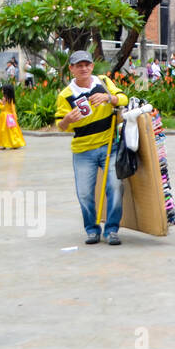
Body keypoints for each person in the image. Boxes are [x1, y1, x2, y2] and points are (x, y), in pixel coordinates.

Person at [54, 51, 129, 245]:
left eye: (87, 64)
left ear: (92, 66)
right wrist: (67, 120)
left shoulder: (103, 82)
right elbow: (60, 125)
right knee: (85, 193)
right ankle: (92, 229)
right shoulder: (66, 95)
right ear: (71, 69)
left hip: (109, 146)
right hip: (83, 150)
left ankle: (111, 230)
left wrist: (108, 98)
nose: (84, 68)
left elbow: (124, 99)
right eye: (79, 65)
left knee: (115, 186)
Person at [0, 84, 25, 150]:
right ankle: (15, 143)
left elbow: (3, 107)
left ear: (6, 91)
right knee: (12, 130)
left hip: (4, 117)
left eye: (2, 89)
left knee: (3, 131)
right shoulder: (11, 98)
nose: (1, 90)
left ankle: (3, 144)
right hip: (10, 116)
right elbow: (11, 107)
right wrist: (14, 116)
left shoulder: (4, 98)